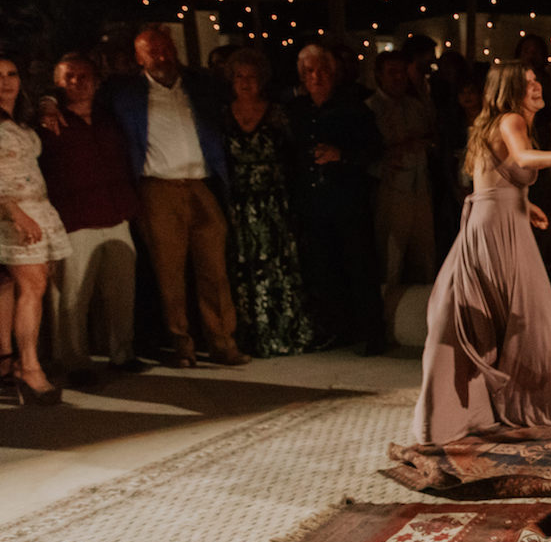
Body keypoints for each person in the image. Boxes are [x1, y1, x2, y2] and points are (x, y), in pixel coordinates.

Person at [411, 61, 551, 444]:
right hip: (497, 228)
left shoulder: (494, 123)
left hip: (495, 221)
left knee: (496, 310)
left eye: (537, 79)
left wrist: (523, 203)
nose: (538, 86)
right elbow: (522, 158)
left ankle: (476, 403)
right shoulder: (512, 121)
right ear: (510, 91)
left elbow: (493, 178)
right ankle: (521, 399)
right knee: (519, 311)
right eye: (529, 83)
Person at [94, 27, 243, 367]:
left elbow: (238, 95)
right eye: (152, 51)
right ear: (139, 58)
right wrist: (46, 103)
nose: (161, 55)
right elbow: (81, 100)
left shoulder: (199, 85)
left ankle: (222, 341)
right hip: (157, 187)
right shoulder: (125, 93)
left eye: (165, 48)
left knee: (215, 270)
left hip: (201, 184)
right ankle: (182, 344)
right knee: (169, 272)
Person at [38, 53, 141, 384]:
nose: (77, 82)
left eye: (84, 76)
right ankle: (74, 361)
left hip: (116, 214)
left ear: (96, 81)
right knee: (72, 296)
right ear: (58, 82)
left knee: (121, 291)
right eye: (69, 77)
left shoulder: (109, 117)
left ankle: (121, 353)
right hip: (75, 219)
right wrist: (46, 104)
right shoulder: (47, 123)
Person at [286, 43, 386, 353]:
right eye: (309, 72)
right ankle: (337, 329)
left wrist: (340, 155)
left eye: (322, 71)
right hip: (313, 203)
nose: (316, 77)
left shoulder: (353, 107)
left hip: (348, 199)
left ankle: (372, 333)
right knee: (323, 269)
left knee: (360, 266)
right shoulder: (297, 111)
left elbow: (375, 150)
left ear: (334, 73)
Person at [223, 49, 314, 357]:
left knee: (279, 267)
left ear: (261, 80)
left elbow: (294, 156)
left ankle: (284, 332)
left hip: (274, 203)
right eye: (239, 77)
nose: (245, 82)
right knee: (246, 268)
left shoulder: (277, 113)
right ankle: (253, 336)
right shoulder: (223, 115)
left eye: (251, 77)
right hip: (240, 205)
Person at [0, 54, 71, 405]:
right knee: (33, 286)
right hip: (10, 211)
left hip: (36, 206)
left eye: (11, 74)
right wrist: (14, 211)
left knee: (21, 286)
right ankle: (29, 368)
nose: (6, 81)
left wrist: (47, 104)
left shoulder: (21, 118)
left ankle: (11, 362)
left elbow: (50, 90)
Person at [367, 50, 437, 311]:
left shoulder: (415, 105)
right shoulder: (371, 108)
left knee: (424, 253)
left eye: (401, 73)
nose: (398, 79)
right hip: (391, 188)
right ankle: (386, 316)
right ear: (379, 76)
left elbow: (431, 135)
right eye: (391, 73)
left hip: (420, 187)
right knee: (391, 256)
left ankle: (423, 315)